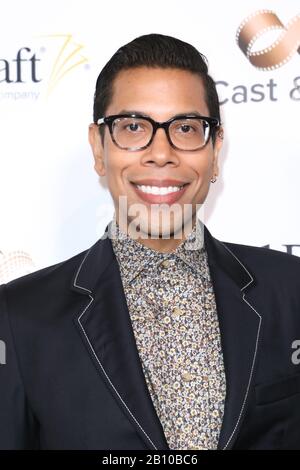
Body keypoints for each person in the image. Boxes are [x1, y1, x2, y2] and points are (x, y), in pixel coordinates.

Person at [0, 33, 300, 451]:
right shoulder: (19, 317)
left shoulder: (291, 291)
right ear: (99, 148)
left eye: (186, 128)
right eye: (134, 127)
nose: (161, 153)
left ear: (215, 150)